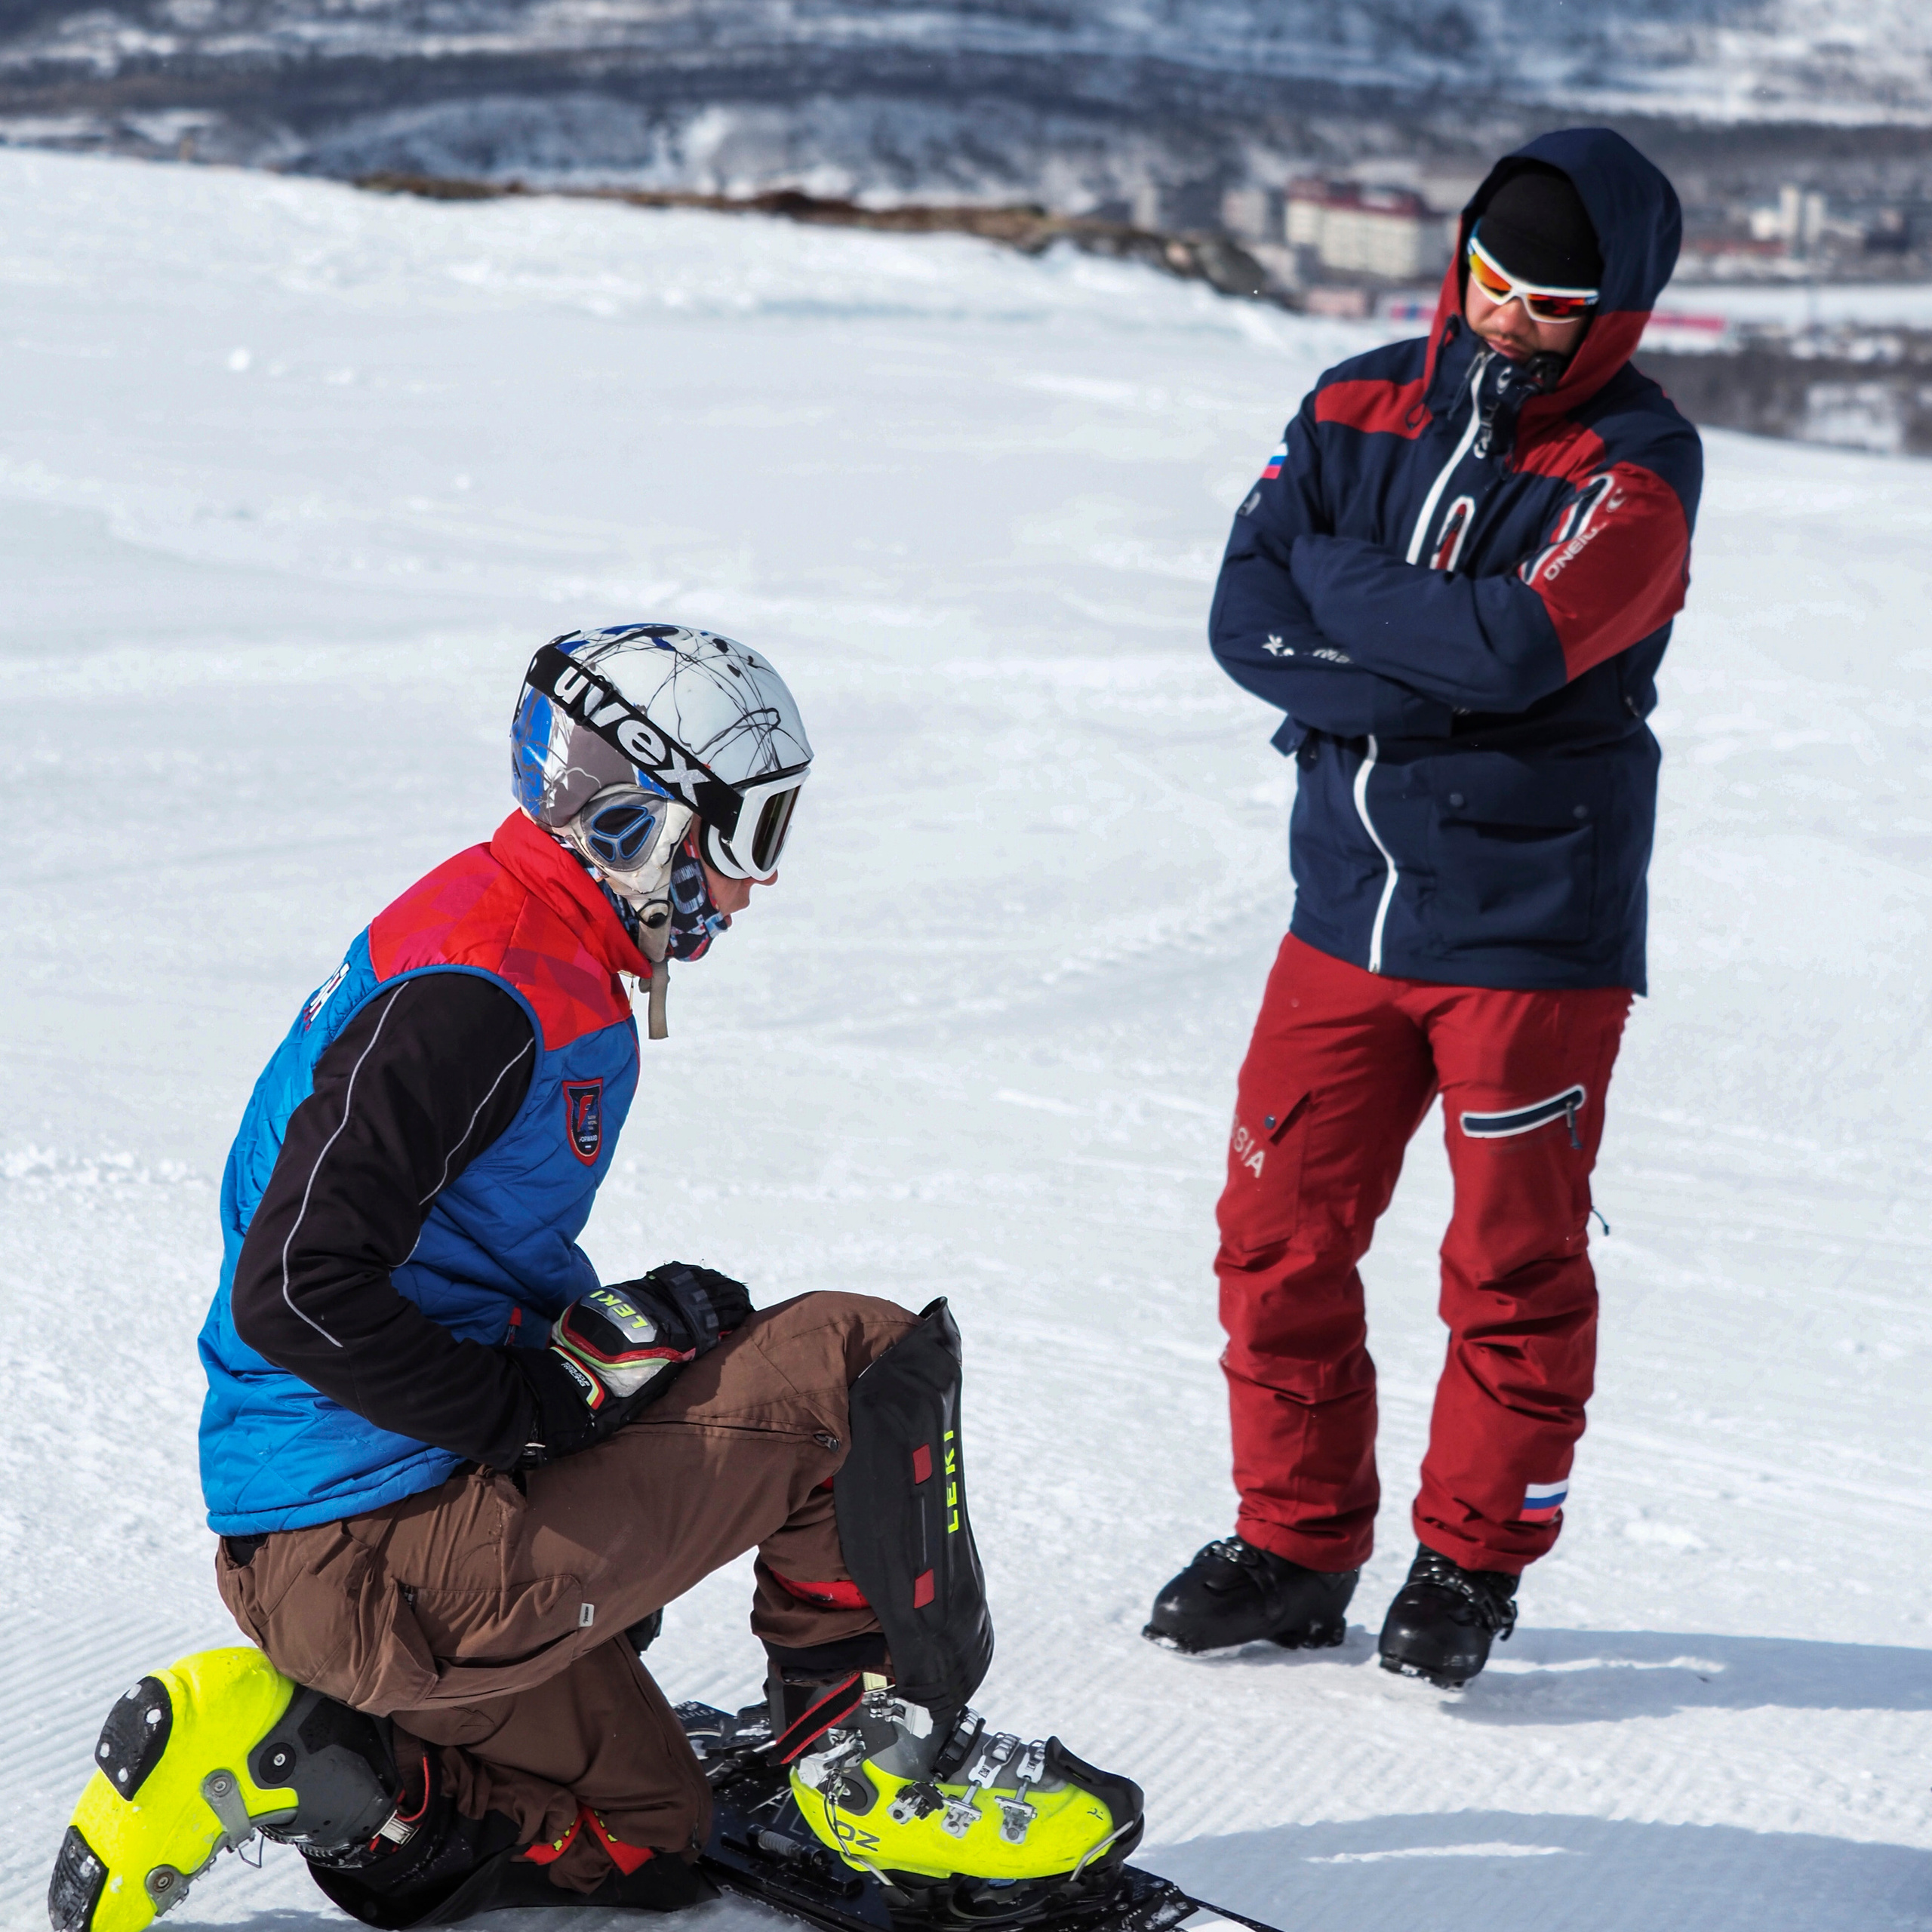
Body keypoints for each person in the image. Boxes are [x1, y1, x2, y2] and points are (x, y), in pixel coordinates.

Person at [51, 623, 1140, 1932]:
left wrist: (604, 1345)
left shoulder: (523, 940)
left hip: (353, 1557)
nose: (749, 889)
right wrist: (540, 1408)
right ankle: (884, 1767)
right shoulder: (482, 986)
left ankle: (332, 1765)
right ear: (633, 815)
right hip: (376, 1536)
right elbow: (294, 1285)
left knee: (651, 1837)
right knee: (859, 1360)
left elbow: (420, 1259)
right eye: (740, 837)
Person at [1144, 131, 1703, 1687]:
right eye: (1488, 282)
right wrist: (1423, 656)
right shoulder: (1347, 400)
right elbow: (1242, 615)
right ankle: (1295, 1539)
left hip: (1529, 931)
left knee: (1508, 1265)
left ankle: (1467, 1561)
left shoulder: (1638, 466)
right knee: (1273, 1232)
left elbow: (1524, 651)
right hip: (1343, 913)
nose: (1507, 320)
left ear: (1615, 311)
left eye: (1549, 303)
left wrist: (1349, 601)